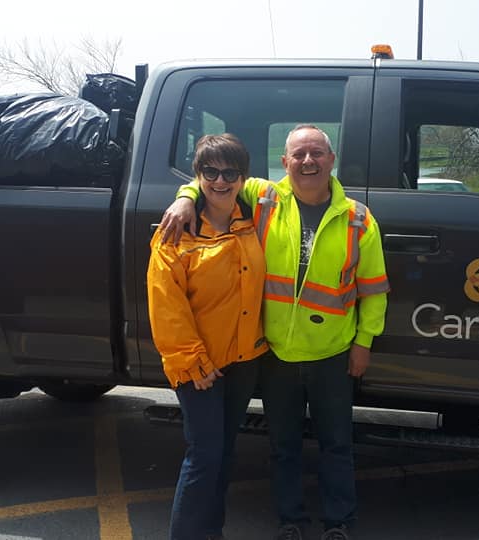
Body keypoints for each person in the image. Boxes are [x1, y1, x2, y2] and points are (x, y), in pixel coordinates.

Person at [160, 125, 390, 540]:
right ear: (284, 163)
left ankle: (338, 523)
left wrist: (364, 342)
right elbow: (214, 178)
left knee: (337, 445)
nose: (308, 161)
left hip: (332, 352)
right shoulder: (264, 198)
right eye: (298, 154)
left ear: (331, 159)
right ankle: (291, 522)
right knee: (282, 447)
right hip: (276, 352)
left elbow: (373, 290)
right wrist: (184, 198)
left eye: (316, 153)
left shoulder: (358, 218)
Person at [147, 133, 268, 540]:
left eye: (230, 173)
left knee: (224, 452)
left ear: (243, 178)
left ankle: (211, 532)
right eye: (210, 172)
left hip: (243, 361)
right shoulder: (176, 231)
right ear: (197, 175)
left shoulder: (253, 218)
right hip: (199, 367)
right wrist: (192, 362)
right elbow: (167, 307)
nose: (220, 181)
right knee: (204, 455)